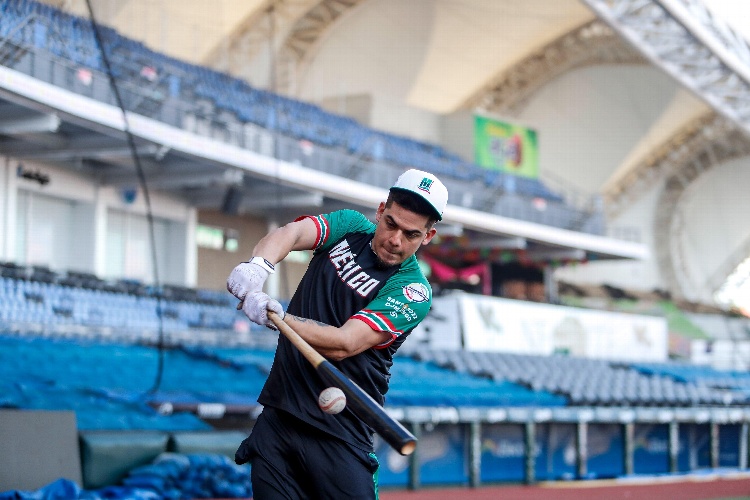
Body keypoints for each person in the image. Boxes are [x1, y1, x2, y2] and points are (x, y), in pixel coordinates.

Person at [226, 168, 448, 499]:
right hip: (280, 416)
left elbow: (344, 344)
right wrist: (258, 267)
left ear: (427, 237)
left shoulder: (412, 289)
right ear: (380, 210)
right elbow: (291, 233)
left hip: (341, 435)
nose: (395, 239)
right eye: (391, 224)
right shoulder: (348, 227)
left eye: (411, 234)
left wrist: (275, 317)